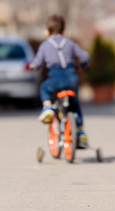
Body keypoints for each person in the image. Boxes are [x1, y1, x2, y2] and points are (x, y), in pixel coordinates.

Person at [30, 15, 89, 143]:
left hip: (55, 79)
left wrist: (33, 66)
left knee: (44, 88)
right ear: (63, 31)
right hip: (71, 78)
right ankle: (79, 130)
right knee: (75, 104)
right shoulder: (70, 43)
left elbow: (37, 62)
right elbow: (85, 57)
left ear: (47, 32)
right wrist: (83, 66)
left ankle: (47, 108)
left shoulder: (45, 45)